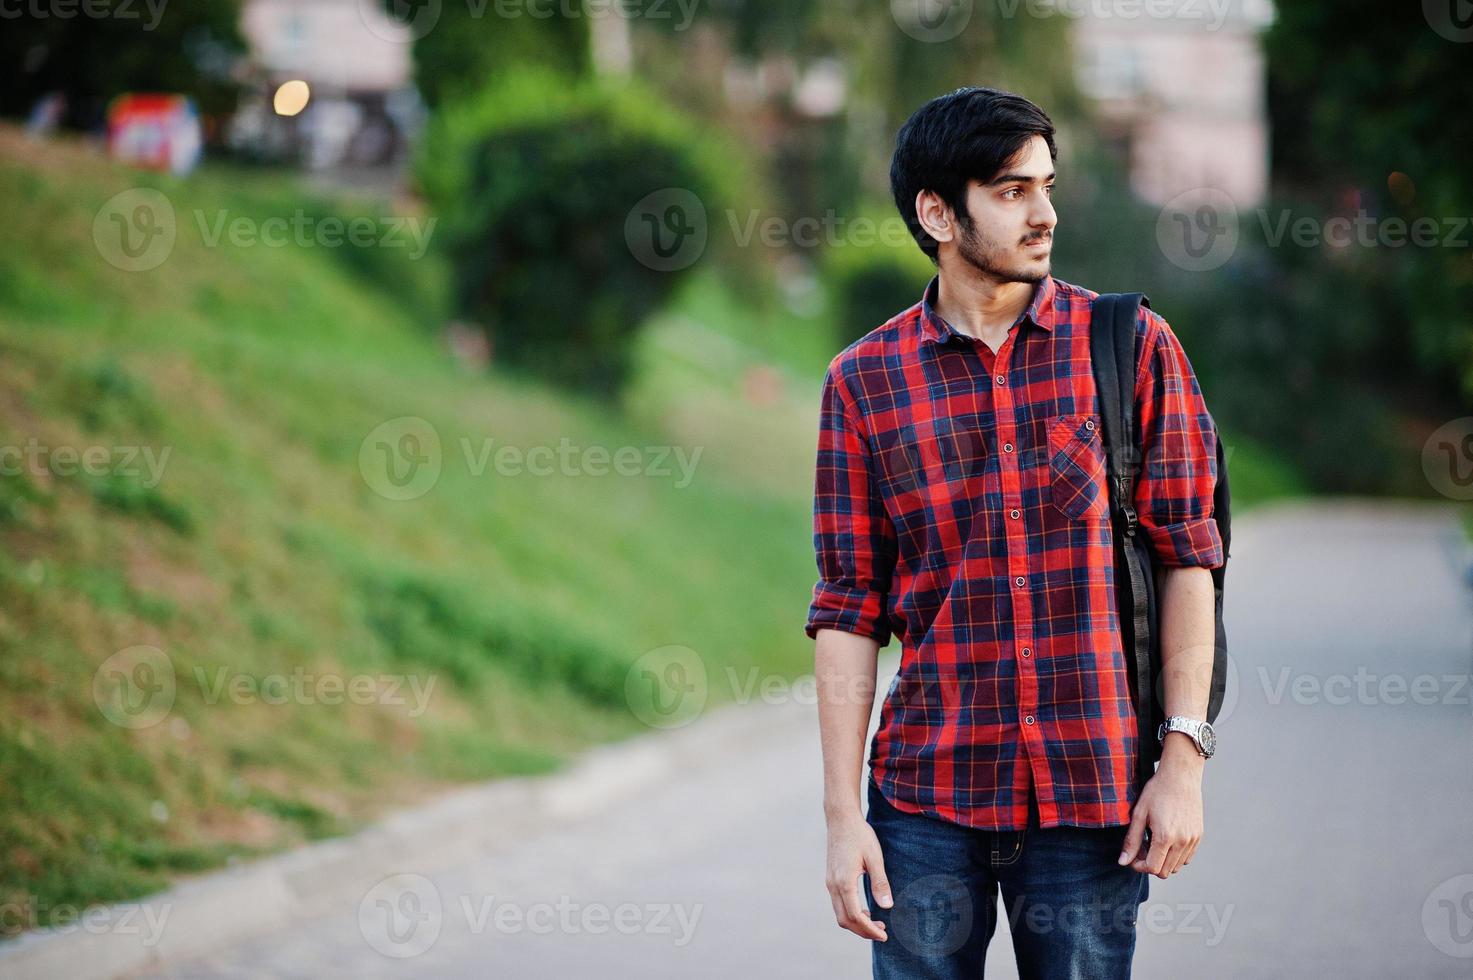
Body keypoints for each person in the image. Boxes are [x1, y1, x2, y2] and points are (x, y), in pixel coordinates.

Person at [806, 87, 1223, 979]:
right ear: (936, 212)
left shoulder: (1130, 346)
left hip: (1092, 798)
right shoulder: (862, 384)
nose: (1045, 214)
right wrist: (845, 819)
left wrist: (1182, 761)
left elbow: (1188, 557)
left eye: (1046, 185)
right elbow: (846, 610)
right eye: (1010, 190)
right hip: (924, 804)